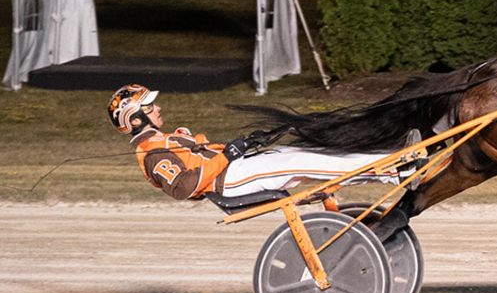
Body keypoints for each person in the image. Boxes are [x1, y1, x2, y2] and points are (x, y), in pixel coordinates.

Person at [108, 84, 410, 201]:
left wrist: (241, 147)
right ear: (135, 120)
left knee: (306, 153)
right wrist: (228, 155)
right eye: (149, 107)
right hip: (229, 181)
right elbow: (183, 188)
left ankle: (388, 158)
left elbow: (204, 158)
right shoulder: (151, 153)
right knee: (301, 162)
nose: (157, 108)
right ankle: (392, 170)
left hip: (234, 168)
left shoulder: (162, 139)